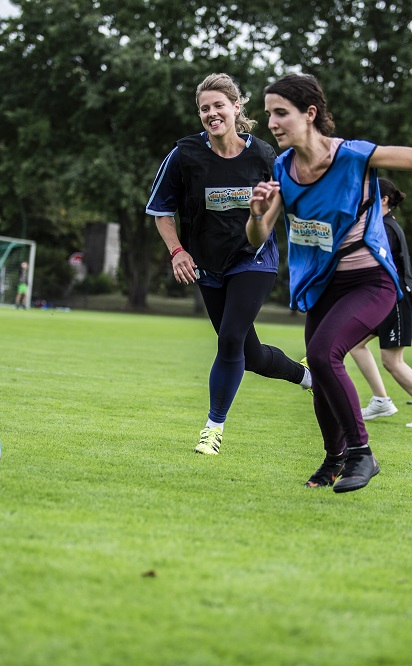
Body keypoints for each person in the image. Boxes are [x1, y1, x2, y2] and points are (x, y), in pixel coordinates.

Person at [247, 73, 412, 493]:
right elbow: (259, 236)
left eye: (281, 113)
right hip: (323, 286)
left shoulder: (353, 156)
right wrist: (255, 213)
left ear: (310, 114)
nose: (272, 123)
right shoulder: (282, 167)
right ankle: (334, 458)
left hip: (371, 283)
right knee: (319, 367)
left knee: (323, 354)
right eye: (269, 115)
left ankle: (361, 453)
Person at [145, 73, 312, 456]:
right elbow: (161, 212)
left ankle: (212, 429)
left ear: (237, 107)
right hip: (206, 263)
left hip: (254, 259)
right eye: (204, 108)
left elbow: (295, 202)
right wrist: (177, 251)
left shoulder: (265, 155)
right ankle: (306, 376)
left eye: (219, 105)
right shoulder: (184, 155)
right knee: (248, 355)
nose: (211, 113)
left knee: (230, 340)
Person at [348, 178, 412, 429]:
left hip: (396, 299)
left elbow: (374, 263)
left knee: (393, 361)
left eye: (370, 195)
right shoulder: (380, 224)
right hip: (384, 299)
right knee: (355, 343)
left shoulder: (386, 228)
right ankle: (381, 401)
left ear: (384, 200)